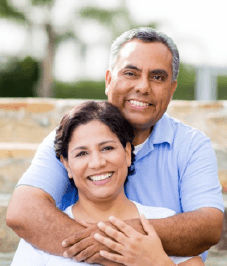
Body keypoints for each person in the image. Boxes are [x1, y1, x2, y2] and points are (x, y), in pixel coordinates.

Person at [6, 27, 224, 265]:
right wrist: (112, 250)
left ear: (172, 89)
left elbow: (208, 226)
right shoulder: (70, 137)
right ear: (109, 80)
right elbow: (24, 211)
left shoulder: (191, 146)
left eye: (158, 77)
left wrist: (122, 243)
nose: (143, 87)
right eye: (130, 73)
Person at [11, 101, 204, 265]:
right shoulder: (41, 236)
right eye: (82, 153)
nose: (97, 162)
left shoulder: (163, 222)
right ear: (67, 165)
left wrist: (157, 262)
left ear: (127, 153)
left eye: (107, 148)